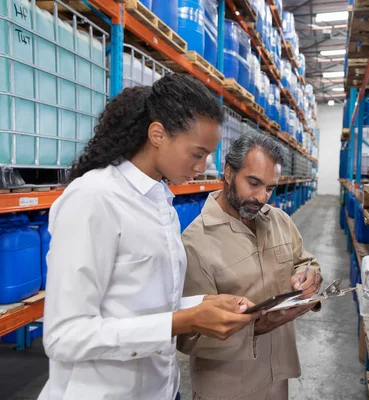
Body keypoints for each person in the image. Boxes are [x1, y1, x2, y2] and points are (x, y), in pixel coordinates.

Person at [38, 73, 259, 400]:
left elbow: (140, 303)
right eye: (196, 153)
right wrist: (184, 321)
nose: (202, 167)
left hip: (161, 389)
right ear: (157, 134)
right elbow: (65, 335)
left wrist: (203, 305)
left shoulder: (160, 203)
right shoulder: (94, 199)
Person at [178, 132, 323, 400]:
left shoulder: (278, 220)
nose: (261, 197)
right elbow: (190, 337)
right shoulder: (195, 244)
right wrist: (261, 324)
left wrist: (310, 274)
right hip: (228, 386)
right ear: (229, 172)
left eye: (270, 188)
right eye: (253, 183)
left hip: (277, 374)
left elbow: (303, 260)